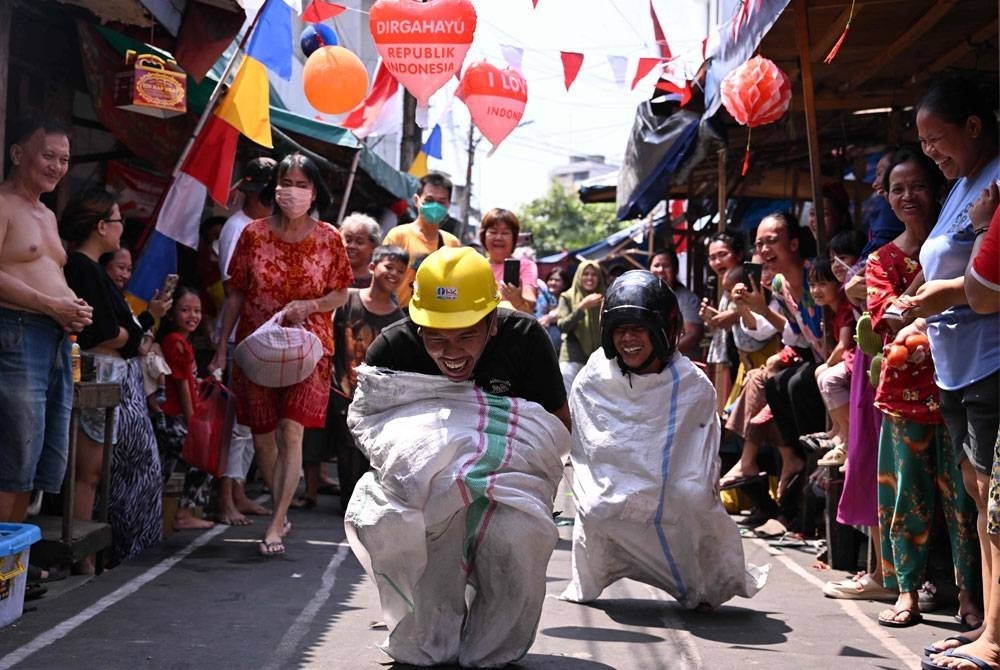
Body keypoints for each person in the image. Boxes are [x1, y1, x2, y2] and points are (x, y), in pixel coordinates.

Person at [349, 246, 569, 667]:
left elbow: (555, 429)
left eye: (466, 335)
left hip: (511, 484)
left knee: (517, 539)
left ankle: (491, 645)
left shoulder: (525, 340)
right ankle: (432, 628)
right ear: (417, 326)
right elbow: (371, 424)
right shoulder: (391, 351)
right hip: (426, 491)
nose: (451, 352)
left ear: (492, 323)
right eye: (436, 338)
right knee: (424, 629)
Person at [561, 270, 766, 609]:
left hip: (674, 492)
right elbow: (587, 455)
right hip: (612, 488)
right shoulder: (593, 379)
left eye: (638, 329)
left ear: (663, 331)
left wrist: (666, 488)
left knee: (690, 498)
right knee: (596, 507)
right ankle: (600, 570)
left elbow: (701, 463)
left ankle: (698, 582)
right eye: (621, 330)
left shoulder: (691, 384)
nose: (629, 339)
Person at [210, 152, 353, 557]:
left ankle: (276, 521)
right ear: (274, 188)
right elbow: (235, 292)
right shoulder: (252, 234)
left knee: (291, 430)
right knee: (263, 437)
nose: (291, 191)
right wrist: (222, 347)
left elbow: (342, 291)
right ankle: (282, 508)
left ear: (314, 191)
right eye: (285, 183)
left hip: (310, 350)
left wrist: (311, 306)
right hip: (256, 348)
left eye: (301, 184)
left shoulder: (329, 237)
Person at [902, 75, 1000, 665]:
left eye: (938, 138)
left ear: (973, 127)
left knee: (993, 506)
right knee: (979, 497)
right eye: (924, 142)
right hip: (956, 368)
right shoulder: (964, 185)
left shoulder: (995, 182)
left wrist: (936, 296)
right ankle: (990, 622)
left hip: (990, 362)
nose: (930, 151)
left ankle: (994, 637)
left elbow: (987, 288)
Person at [865, 147, 980, 631]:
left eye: (916, 186)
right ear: (888, 199)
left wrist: (916, 317)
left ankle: (971, 599)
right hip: (904, 400)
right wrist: (912, 318)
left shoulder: (955, 247)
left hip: (957, 387)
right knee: (905, 499)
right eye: (897, 189)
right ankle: (907, 592)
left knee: (964, 503)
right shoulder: (881, 259)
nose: (908, 196)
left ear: (935, 191)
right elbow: (882, 319)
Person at [60, 188, 166, 569]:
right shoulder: (81, 267)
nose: (121, 228)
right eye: (118, 220)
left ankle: (94, 549)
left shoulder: (90, 268)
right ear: (102, 226)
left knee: (99, 470)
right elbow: (102, 330)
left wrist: (130, 335)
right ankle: (82, 556)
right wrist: (131, 337)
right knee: (87, 472)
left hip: (113, 374)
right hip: (96, 371)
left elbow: (122, 331)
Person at [0, 117, 92, 525]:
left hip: (54, 339)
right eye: (48, 155)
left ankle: (16, 563)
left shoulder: (48, 215)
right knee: (14, 451)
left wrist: (72, 306)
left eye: (64, 159)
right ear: (18, 154)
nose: (56, 166)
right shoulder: (3, 204)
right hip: (17, 333)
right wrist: (49, 304)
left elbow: (47, 272)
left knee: (38, 456)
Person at [319, 245, 407, 509]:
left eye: (400, 271)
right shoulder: (348, 300)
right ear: (372, 267)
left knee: (370, 451)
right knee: (345, 447)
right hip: (342, 389)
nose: (393, 274)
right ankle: (348, 501)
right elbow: (330, 341)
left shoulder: (398, 318)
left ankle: (363, 503)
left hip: (377, 397)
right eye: (388, 267)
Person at [215, 156, 276, 526]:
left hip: (259, 338)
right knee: (234, 426)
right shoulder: (237, 228)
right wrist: (224, 345)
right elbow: (231, 290)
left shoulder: (257, 227)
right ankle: (225, 499)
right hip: (243, 337)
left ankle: (237, 493)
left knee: (248, 426)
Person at [153, 287, 215, 531]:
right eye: (185, 310)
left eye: (197, 311)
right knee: (202, 458)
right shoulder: (175, 343)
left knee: (165, 467)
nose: (193, 316)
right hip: (172, 417)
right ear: (171, 314)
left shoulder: (180, 342)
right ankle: (183, 512)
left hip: (172, 417)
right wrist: (193, 424)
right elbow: (181, 388)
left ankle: (161, 514)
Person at [382, 171, 460, 307]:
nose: (435, 206)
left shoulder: (452, 243)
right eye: (429, 200)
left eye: (441, 202)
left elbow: (454, 287)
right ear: (416, 200)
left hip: (436, 319)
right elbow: (382, 280)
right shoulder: (397, 236)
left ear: (448, 205)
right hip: (400, 317)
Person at [557, 260, 607, 392]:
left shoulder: (606, 297)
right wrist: (582, 307)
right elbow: (563, 326)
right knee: (569, 400)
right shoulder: (567, 296)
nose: (589, 278)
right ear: (579, 275)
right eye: (585, 274)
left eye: (594, 274)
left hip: (599, 359)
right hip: (572, 357)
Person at [480, 207, 537, 313]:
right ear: (484, 236)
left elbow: (529, 306)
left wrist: (517, 299)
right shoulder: (476, 266)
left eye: (505, 233)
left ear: (514, 238)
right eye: (493, 232)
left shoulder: (526, 266)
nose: (498, 237)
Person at [650, 248, 704, 359]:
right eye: (656, 265)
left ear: (675, 270)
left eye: (666, 266)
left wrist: (662, 357)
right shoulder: (646, 298)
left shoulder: (687, 299)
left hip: (682, 365)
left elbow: (693, 334)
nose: (660, 270)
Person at [340, 212, 381, 289]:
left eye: (359, 242)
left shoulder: (377, 284)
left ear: (373, 247)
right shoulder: (325, 274)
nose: (352, 246)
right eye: (348, 240)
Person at [535, 267, 568, 352]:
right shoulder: (542, 297)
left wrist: (551, 317)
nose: (553, 283)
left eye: (557, 280)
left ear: (565, 284)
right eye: (550, 279)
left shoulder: (568, 298)